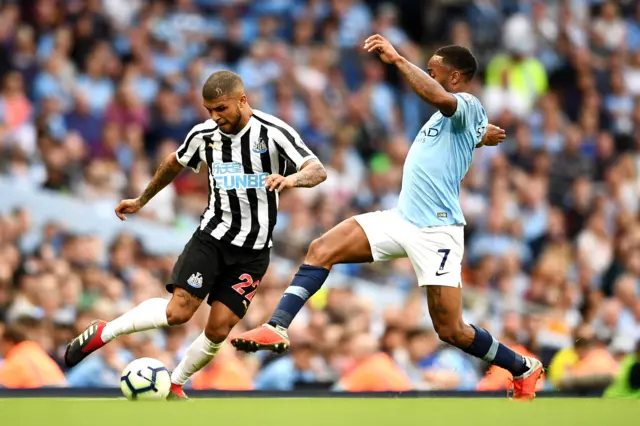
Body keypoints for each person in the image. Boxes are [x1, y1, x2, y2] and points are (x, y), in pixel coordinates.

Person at [231, 34, 544, 400]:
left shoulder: (467, 102)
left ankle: (523, 367)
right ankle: (277, 326)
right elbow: (458, 130)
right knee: (322, 247)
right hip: (402, 219)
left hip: (437, 231)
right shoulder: (456, 121)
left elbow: (440, 98)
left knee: (451, 329)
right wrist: (478, 136)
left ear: (455, 77)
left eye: (434, 70)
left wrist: (398, 59)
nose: (427, 75)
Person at [63, 70, 327, 399]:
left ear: (242, 101)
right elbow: (174, 162)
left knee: (218, 329)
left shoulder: (274, 133)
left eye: (221, 109)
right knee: (178, 313)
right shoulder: (205, 135)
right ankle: (106, 330)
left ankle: (175, 382)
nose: (215, 117)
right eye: (209, 110)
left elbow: (317, 170)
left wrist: (291, 181)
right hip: (212, 239)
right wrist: (142, 200)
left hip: (253, 252)